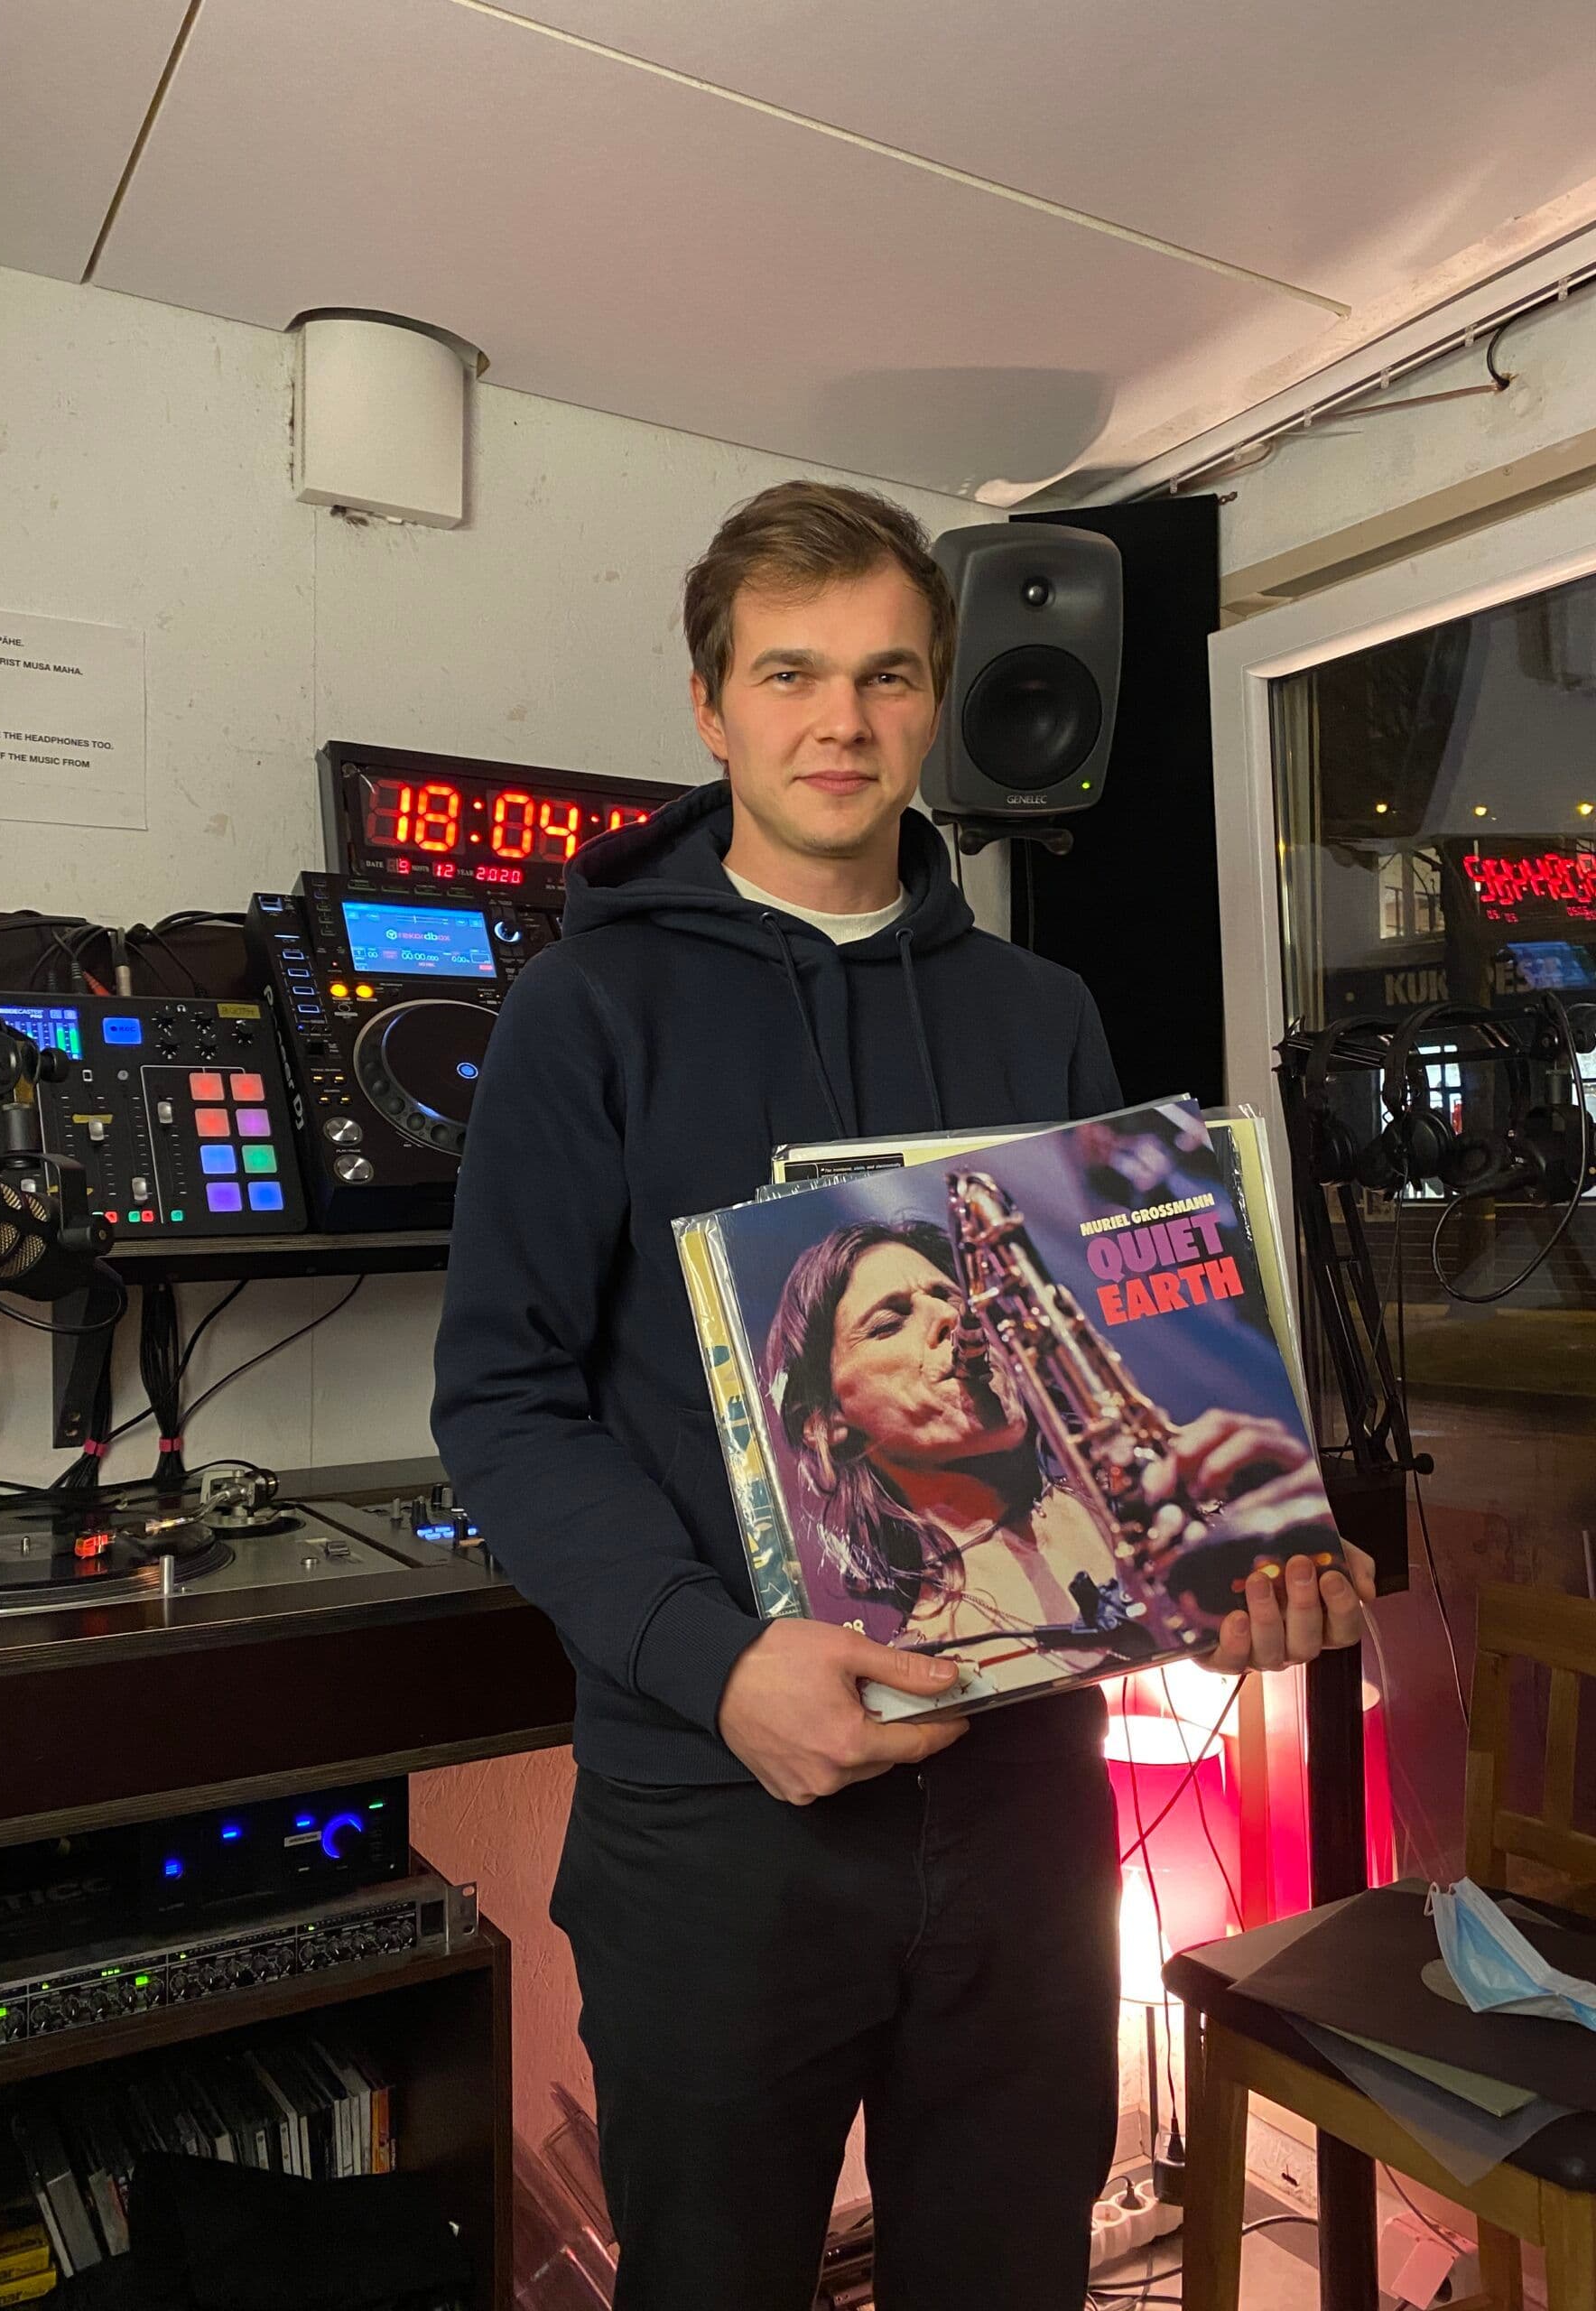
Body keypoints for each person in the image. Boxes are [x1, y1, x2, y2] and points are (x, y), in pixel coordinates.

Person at [432, 480, 1375, 2310]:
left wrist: (1224, 1568)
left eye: (884, 675)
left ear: (936, 697)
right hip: (718, 1810)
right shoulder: (584, 1008)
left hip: (1024, 1808)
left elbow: (1106, 1363)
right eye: (789, 674)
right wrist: (717, 1663)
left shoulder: (1040, 1011)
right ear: (711, 706)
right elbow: (502, 1399)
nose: (840, 721)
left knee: (1008, 2275)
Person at [763, 1215, 1342, 1675]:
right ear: (825, 1424)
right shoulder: (921, 1668)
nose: (953, 1317)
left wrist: (1306, 1531)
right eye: (890, 1324)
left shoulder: (1183, 1495)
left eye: (955, 1297)